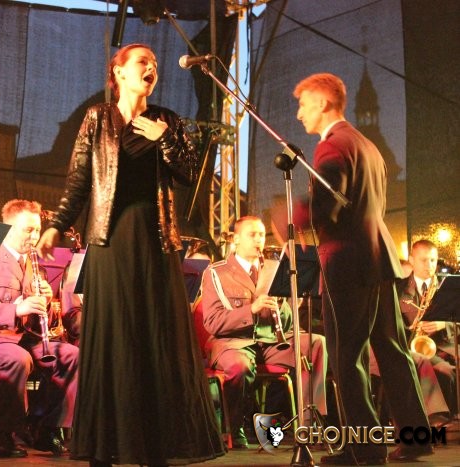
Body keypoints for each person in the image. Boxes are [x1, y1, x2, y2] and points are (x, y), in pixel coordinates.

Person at [37, 43, 224, 466]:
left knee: (156, 340)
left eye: (155, 64)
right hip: (111, 241)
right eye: (142, 61)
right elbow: (79, 181)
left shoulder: (166, 121)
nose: (151, 67)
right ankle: (106, 448)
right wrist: (57, 224)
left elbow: (190, 174)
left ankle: (156, 450)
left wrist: (166, 140)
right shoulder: (97, 119)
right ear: (118, 72)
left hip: (157, 243)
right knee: (114, 339)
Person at [292, 73, 432, 464]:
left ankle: (364, 449)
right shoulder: (367, 145)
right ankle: (416, 437)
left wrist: (292, 215)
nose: (299, 113)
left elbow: (328, 204)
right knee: (393, 351)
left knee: (346, 357)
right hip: (379, 260)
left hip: (348, 265)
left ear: (323, 103)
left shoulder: (332, 146)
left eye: (303, 104)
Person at [0, 199, 79, 458]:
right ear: (8, 229)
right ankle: (0, 432)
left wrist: (46, 302)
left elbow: (43, 320)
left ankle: (46, 427)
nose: (34, 236)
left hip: (27, 337)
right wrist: (16, 310)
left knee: (72, 356)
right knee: (17, 359)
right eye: (28, 230)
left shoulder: (35, 264)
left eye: (37, 230)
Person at [200, 216, 327, 448]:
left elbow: (288, 323)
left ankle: (310, 424)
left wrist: (283, 306)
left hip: (271, 342)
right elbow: (212, 322)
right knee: (239, 366)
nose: (259, 239)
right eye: (252, 234)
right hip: (233, 343)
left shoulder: (274, 269)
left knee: (316, 343)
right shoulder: (216, 272)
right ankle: (235, 426)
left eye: (261, 234)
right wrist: (251, 310)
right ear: (236, 239)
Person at [397, 239, 456, 417]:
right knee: (446, 372)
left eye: (433, 260)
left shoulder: (449, 287)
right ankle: (445, 418)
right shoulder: (398, 288)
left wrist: (444, 325)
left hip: (448, 346)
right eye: (423, 260)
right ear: (411, 260)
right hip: (417, 349)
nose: (429, 265)